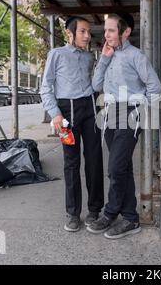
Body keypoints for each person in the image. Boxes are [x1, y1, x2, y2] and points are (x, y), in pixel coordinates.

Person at [87, 13, 161, 239]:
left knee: (115, 168)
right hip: (110, 112)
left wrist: (140, 109)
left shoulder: (135, 56)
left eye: (111, 30)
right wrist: (104, 59)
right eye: (105, 30)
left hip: (130, 112)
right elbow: (95, 85)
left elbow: (155, 86)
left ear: (125, 31)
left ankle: (111, 213)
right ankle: (130, 218)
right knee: (123, 168)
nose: (106, 35)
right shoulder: (107, 55)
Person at [40, 16, 104, 232]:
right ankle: (73, 213)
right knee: (71, 162)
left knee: (94, 159)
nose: (87, 36)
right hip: (66, 113)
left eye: (88, 32)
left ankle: (95, 209)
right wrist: (55, 114)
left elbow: (95, 84)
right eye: (83, 31)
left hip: (89, 109)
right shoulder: (56, 54)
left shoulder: (89, 58)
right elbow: (46, 86)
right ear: (70, 33)